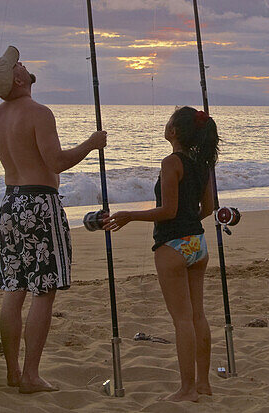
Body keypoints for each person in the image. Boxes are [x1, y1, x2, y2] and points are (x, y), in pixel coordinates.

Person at [0, 45, 106, 393]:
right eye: (17, 63)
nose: (22, 63)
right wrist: (92, 144)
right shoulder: (39, 113)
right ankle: (31, 375)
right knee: (43, 290)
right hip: (40, 205)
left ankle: (13, 372)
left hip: (10, 205)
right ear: (17, 78)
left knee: (13, 287)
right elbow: (56, 162)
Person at [102, 106, 217, 402]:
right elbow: (209, 208)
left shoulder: (171, 163)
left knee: (181, 319)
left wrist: (129, 214)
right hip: (198, 244)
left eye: (168, 122)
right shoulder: (204, 163)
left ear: (174, 131)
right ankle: (203, 384)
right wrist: (189, 225)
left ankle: (187, 389)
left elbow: (168, 211)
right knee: (198, 315)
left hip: (173, 246)